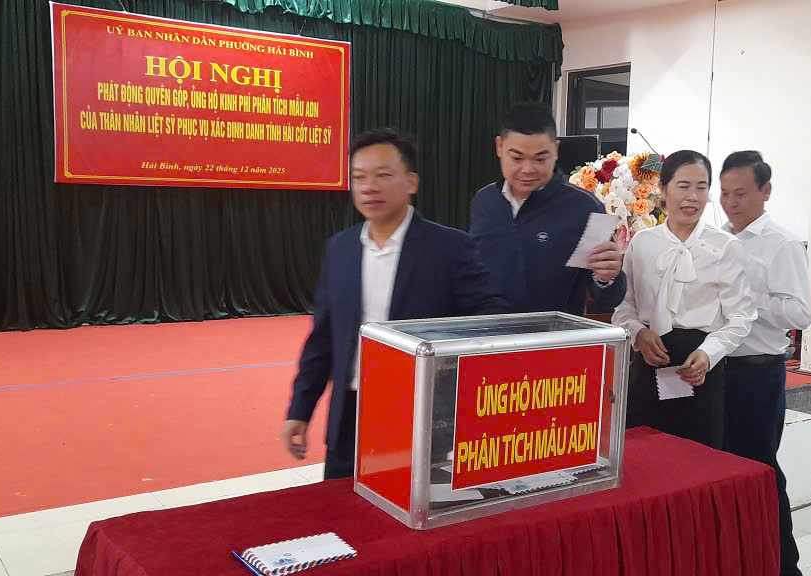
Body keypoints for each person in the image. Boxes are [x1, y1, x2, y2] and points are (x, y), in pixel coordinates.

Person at [282, 129, 507, 480]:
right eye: (359, 177)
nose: (369, 187)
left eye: (383, 175)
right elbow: (322, 340)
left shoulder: (450, 249)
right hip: (350, 413)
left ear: (411, 182)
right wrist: (300, 409)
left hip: (420, 412)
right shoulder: (340, 249)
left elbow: (489, 318)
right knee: (342, 505)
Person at [611, 150, 757, 449]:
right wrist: (639, 334)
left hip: (699, 368)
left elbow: (741, 317)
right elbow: (623, 307)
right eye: (683, 186)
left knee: (697, 458)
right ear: (663, 191)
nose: (692, 196)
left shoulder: (726, 246)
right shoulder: (643, 243)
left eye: (701, 187)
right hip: (649, 361)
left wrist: (708, 353)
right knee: (644, 453)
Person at [719, 151, 811, 576]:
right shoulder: (716, 237)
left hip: (757, 374)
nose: (730, 203)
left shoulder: (782, 244)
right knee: (721, 471)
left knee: (760, 470)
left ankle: (784, 565)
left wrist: (749, 299)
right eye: (724, 194)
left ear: (766, 191)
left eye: (740, 194)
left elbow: (801, 314)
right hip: (715, 370)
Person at [469, 102, 626, 315]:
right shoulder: (484, 201)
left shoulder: (587, 208)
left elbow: (608, 298)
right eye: (516, 158)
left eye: (540, 159)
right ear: (499, 147)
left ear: (556, 150)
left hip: (554, 334)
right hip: (486, 332)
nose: (527, 169)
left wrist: (607, 277)